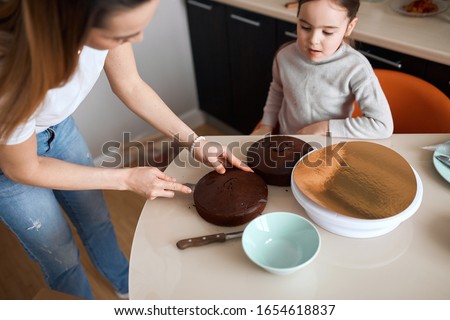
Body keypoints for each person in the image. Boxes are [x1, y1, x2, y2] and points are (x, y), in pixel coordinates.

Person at [0, 0, 250, 300]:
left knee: (96, 218)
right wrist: (126, 178)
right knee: (59, 252)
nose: (137, 39)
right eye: (120, 36)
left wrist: (195, 142)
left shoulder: (99, 12)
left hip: (59, 128)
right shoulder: (11, 72)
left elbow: (130, 85)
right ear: (76, 24)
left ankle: (125, 285)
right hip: (10, 162)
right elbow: (24, 168)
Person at [252, 0, 393, 138]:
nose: (314, 40)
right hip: (288, 144)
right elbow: (277, 90)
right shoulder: (284, 56)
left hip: (330, 147)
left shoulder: (356, 68)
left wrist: (323, 128)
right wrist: (266, 125)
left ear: (350, 27)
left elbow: (382, 125)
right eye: (305, 27)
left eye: (328, 32)